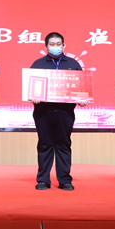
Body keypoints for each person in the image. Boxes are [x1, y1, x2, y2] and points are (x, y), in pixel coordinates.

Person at [30, 32, 86, 191]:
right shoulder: (38, 64)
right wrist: (33, 96)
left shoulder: (73, 64)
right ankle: (43, 180)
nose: (55, 47)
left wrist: (82, 98)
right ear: (46, 46)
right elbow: (31, 87)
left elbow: (82, 87)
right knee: (45, 144)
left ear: (64, 45)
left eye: (58, 44)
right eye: (52, 44)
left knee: (63, 144)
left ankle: (65, 180)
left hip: (65, 112)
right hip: (43, 112)